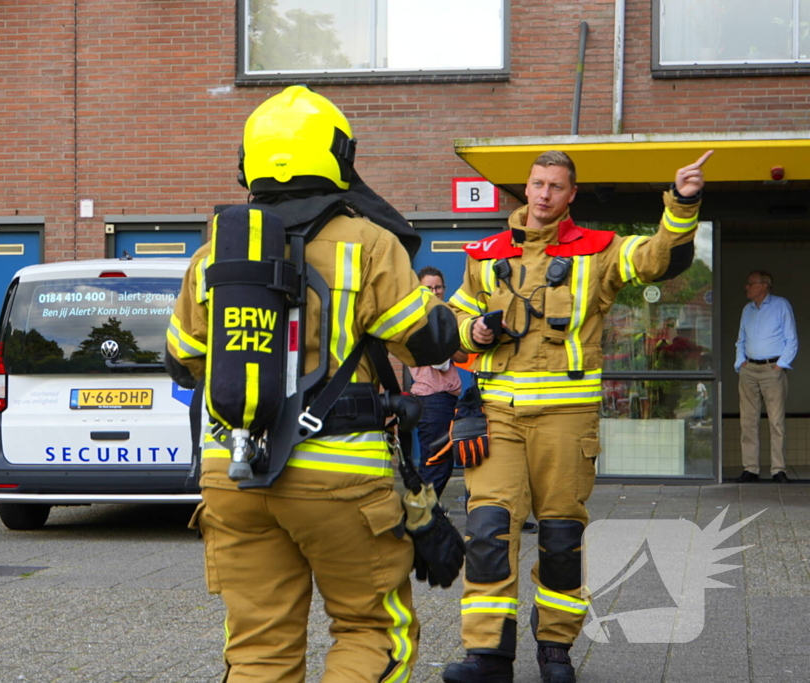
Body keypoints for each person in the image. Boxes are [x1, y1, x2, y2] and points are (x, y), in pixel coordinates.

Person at [165, 85, 459, 683]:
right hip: (338, 473)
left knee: (257, 649)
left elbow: (180, 361)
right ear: (339, 156)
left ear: (249, 160)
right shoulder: (367, 242)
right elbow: (427, 343)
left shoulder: (215, 251)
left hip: (232, 472)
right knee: (371, 631)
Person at [441, 149, 712, 683]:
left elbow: (658, 257)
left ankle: (556, 651)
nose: (544, 194)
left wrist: (682, 201)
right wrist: (471, 332)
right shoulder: (486, 253)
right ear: (526, 187)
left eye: (556, 186)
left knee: (561, 538)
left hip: (567, 418)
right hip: (498, 416)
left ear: (571, 195)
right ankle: (488, 656)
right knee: (489, 531)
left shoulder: (600, 250)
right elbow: (456, 316)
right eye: (538, 184)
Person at [734, 270, 798, 483]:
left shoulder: (781, 306)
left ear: (763, 286)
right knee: (748, 421)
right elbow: (740, 340)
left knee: (776, 421)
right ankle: (750, 468)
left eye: (750, 284)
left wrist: (780, 366)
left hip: (772, 369)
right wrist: (740, 362)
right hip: (749, 369)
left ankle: (778, 469)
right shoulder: (747, 309)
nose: (747, 287)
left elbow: (791, 340)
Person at [411, 265, 469, 498]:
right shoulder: (418, 318)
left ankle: (423, 515)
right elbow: (438, 360)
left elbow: (463, 356)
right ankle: (421, 517)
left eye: (438, 287)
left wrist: (449, 345)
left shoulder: (445, 316)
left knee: (438, 462)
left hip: (447, 399)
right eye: (428, 287)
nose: (435, 292)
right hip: (431, 399)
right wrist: (450, 345)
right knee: (436, 463)